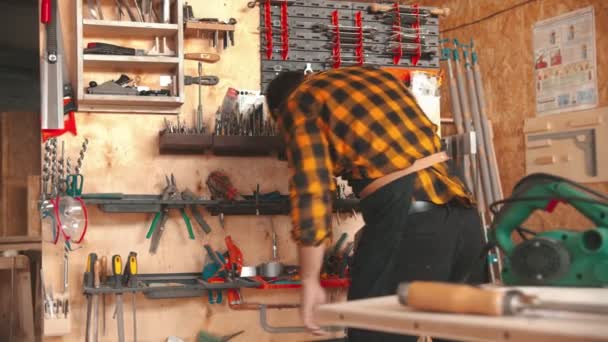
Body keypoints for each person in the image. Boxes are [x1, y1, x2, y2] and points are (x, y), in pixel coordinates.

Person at [265, 66, 488, 342]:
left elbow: (312, 194)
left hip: (411, 220)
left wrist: (310, 280)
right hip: (461, 211)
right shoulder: (373, 76)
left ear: (279, 111)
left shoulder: (298, 104)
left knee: (371, 329)